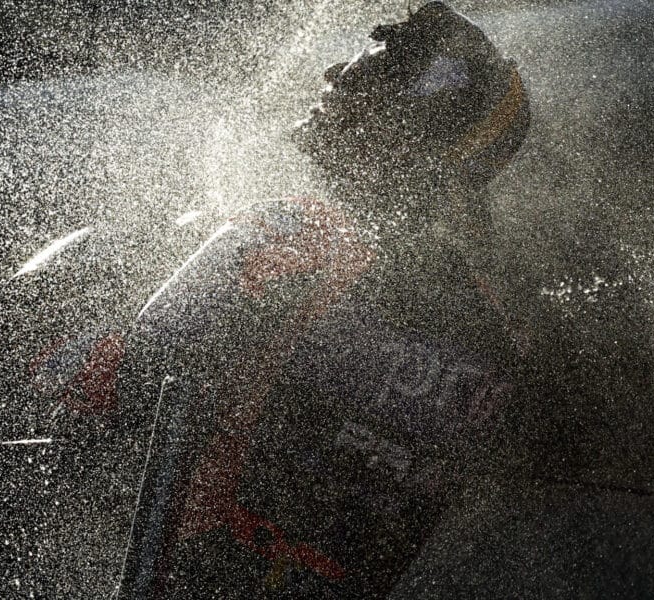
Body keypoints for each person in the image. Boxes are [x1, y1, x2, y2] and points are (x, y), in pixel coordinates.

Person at [30, 3, 530, 597]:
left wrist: (71, 336)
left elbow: (136, 383)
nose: (332, 74)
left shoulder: (289, 236)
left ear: (403, 122)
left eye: (367, 64)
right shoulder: (493, 333)